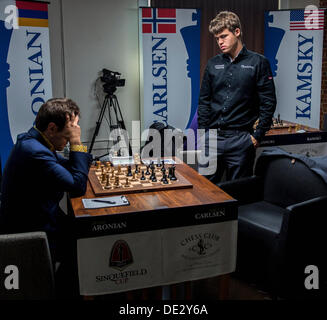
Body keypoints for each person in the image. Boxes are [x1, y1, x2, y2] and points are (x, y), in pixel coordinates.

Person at [0, 98, 92, 297]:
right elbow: (77, 186)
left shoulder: (34, 142)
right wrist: (77, 142)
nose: (69, 140)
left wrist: (77, 153)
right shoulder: (33, 152)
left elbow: (68, 167)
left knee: (82, 233)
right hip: (30, 234)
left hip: (40, 220)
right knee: (86, 241)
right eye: (67, 135)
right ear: (51, 128)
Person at [197, 11, 276, 183]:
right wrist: (204, 135)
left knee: (238, 195)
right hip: (213, 139)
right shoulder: (212, 64)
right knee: (205, 192)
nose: (220, 42)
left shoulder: (259, 63)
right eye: (217, 38)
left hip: (241, 140)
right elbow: (204, 102)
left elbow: (268, 102)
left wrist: (257, 136)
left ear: (237, 32)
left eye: (224, 36)